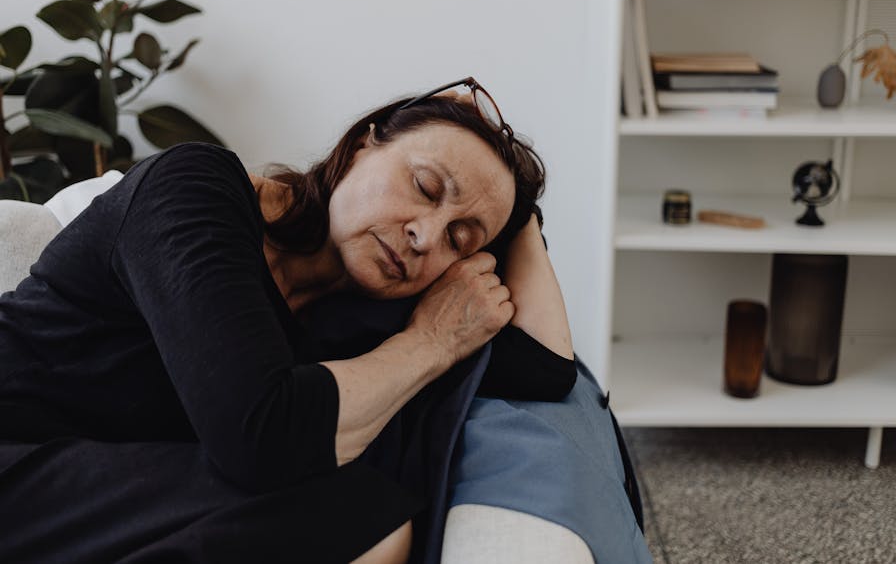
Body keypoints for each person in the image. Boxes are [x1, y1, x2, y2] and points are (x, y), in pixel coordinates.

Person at [0, 78, 576, 563]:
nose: (426, 237)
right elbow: (261, 436)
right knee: (362, 519)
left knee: (355, 511)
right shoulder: (193, 189)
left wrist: (515, 203)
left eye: (459, 239)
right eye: (425, 187)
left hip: (100, 491)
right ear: (362, 145)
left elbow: (547, 369)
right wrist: (430, 343)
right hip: (15, 447)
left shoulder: (361, 310)